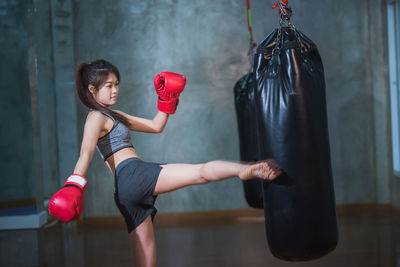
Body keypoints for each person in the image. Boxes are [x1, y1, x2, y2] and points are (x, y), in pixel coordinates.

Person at [48, 59, 283, 267]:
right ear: (92, 89)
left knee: (146, 261)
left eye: (117, 84)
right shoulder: (95, 116)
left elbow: (155, 125)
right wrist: (73, 186)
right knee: (200, 172)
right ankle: (244, 169)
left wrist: (166, 98)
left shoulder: (114, 115)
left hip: (125, 191)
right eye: (109, 86)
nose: (115, 90)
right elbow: (85, 153)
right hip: (133, 174)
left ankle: (244, 169)